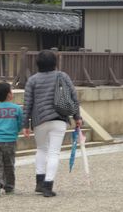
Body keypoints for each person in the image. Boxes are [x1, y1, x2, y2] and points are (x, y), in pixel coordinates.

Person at [22, 49, 81, 198]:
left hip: (39, 120)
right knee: (54, 152)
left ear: (38, 64)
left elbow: (27, 104)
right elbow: (73, 96)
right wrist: (77, 116)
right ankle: (48, 186)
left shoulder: (33, 80)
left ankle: (39, 183)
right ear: (55, 63)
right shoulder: (62, 76)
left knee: (41, 149)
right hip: (59, 118)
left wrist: (25, 125)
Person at [0, 82, 23, 197]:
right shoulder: (17, 109)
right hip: (10, 141)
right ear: (9, 95)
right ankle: (9, 187)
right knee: (9, 164)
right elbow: (20, 124)